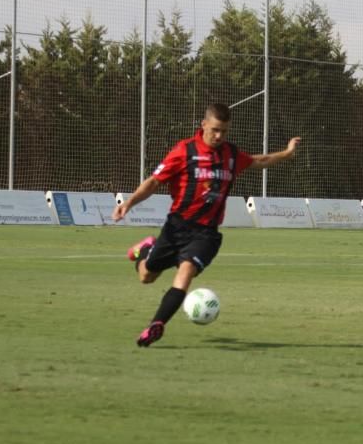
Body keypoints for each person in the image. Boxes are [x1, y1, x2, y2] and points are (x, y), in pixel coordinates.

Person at [113, 102, 301, 346]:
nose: (219, 136)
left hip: (206, 234)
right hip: (176, 227)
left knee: (185, 273)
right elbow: (154, 182)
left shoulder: (231, 155)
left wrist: (287, 153)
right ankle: (146, 249)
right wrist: (129, 203)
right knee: (146, 276)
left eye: (224, 131)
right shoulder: (184, 151)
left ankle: (156, 325)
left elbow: (260, 160)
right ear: (203, 125)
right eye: (215, 130)